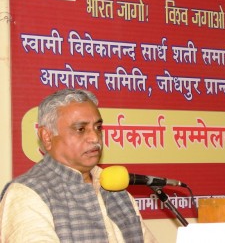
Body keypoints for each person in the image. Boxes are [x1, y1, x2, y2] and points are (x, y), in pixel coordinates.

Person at [0, 89, 157, 242]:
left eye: (98, 127)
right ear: (47, 137)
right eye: (80, 129)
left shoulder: (116, 191)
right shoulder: (27, 193)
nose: (95, 138)